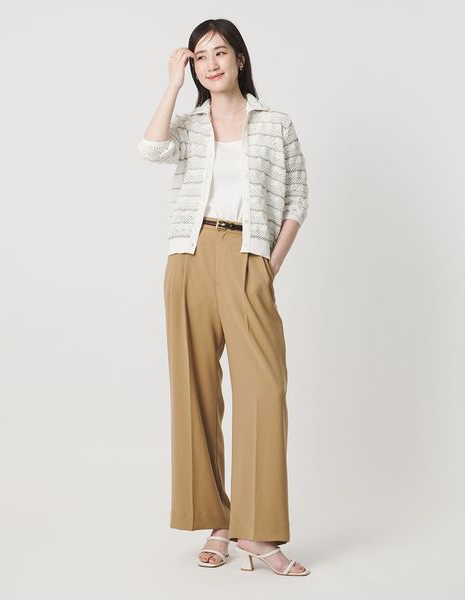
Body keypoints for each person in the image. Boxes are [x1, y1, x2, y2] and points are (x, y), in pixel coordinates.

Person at [137, 19, 310, 577]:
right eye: (200, 57)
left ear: (240, 59)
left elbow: (297, 200)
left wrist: (268, 266)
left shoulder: (274, 123)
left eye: (220, 53)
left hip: (248, 256)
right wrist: (171, 83)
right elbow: (150, 149)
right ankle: (217, 520)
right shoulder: (188, 126)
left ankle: (256, 532)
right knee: (196, 392)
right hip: (189, 258)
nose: (211, 64)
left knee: (264, 389)